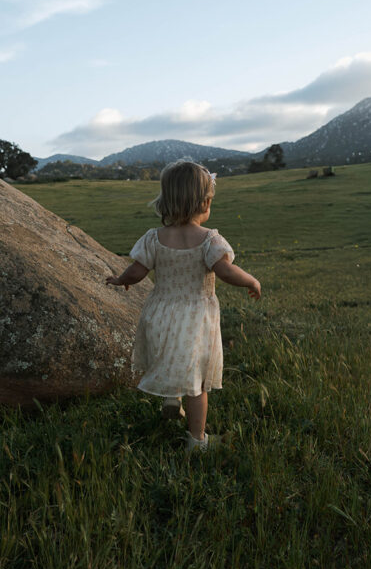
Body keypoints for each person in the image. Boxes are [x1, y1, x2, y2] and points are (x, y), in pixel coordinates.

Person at [106, 159, 261, 451]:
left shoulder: (154, 238)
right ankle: (197, 441)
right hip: (194, 318)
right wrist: (251, 280)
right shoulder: (209, 240)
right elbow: (226, 271)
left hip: (160, 312)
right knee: (197, 381)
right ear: (204, 203)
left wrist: (120, 280)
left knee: (171, 356)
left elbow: (137, 272)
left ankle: (169, 400)